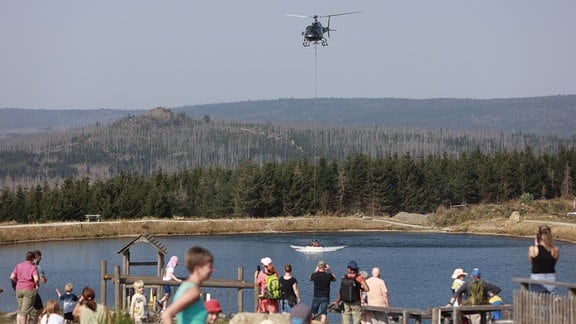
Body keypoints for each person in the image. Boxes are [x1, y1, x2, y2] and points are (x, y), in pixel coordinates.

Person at [161, 246, 215, 324]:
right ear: (197, 269)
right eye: (209, 267)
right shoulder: (192, 291)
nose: (212, 270)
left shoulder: (186, 286)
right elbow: (167, 314)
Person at [528, 224, 560, 293]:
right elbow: (553, 263)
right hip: (550, 278)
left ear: (538, 236)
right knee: (551, 300)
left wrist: (537, 245)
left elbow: (533, 263)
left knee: (537, 300)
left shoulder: (532, 249)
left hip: (536, 278)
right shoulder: (555, 250)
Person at [10, 251, 39, 324]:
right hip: (29, 289)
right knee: (24, 312)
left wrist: (18, 281)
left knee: (20, 310)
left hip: (18, 289)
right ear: (33, 259)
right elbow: (36, 279)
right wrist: (36, 285)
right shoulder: (33, 267)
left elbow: (12, 277)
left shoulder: (18, 265)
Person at [33, 250, 48, 323]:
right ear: (37, 257)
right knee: (40, 309)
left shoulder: (25, 265)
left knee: (26, 310)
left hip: (21, 290)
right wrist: (45, 279)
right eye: (40, 258)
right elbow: (43, 281)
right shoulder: (37, 267)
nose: (40, 260)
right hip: (33, 291)